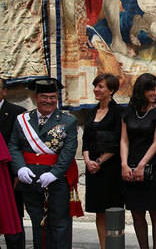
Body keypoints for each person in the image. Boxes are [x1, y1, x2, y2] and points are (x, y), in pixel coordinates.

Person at [8, 78, 80, 249]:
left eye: (53, 97)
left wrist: (54, 173)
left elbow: (69, 151)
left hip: (57, 181)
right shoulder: (22, 120)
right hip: (30, 180)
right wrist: (20, 169)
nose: (49, 101)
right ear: (36, 97)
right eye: (44, 97)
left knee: (60, 224)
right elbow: (14, 146)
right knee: (37, 222)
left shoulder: (68, 121)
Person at [120, 73, 156, 249]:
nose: (155, 93)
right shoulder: (128, 112)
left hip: (153, 167)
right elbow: (124, 140)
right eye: (151, 89)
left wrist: (142, 165)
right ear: (142, 89)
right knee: (137, 213)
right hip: (131, 166)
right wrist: (124, 164)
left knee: (155, 212)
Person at [82, 73, 124, 249]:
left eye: (101, 86)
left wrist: (98, 161)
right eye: (95, 86)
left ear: (111, 90)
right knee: (99, 211)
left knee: (112, 210)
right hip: (93, 169)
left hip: (110, 168)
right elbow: (85, 140)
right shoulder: (92, 111)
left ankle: (115, 245)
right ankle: (103, 246)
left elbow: (117, 142)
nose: (96, 90)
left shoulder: (118, 112)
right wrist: (87, 161)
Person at [0, 78, 26, 249]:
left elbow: (22, 145)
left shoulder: (17, 112)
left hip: (9, 175)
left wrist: (18, 172)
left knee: (13, 218)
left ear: (4, 91)